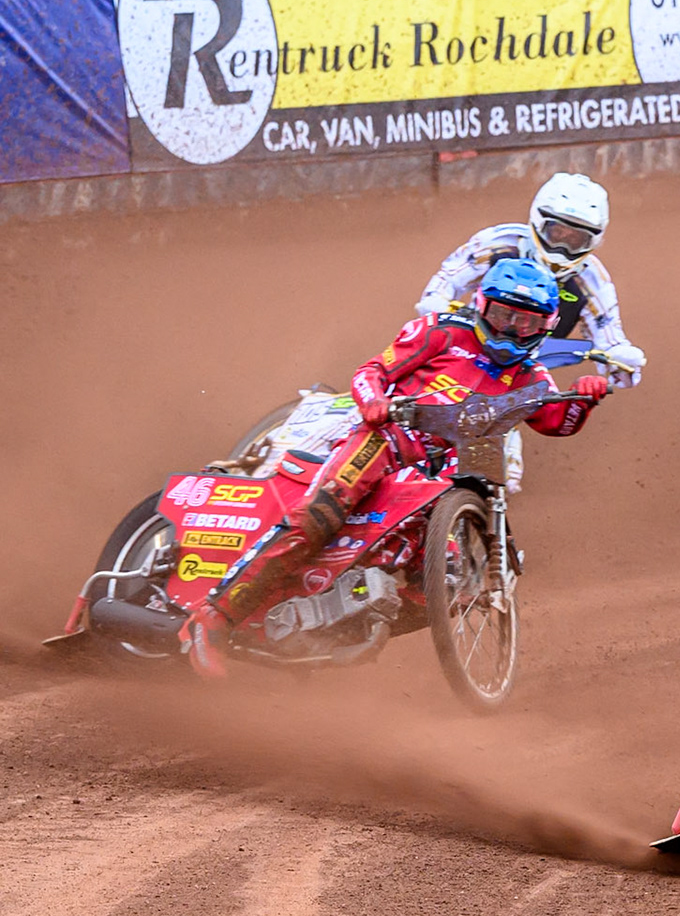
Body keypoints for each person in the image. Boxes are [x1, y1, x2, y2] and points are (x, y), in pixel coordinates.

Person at [177, 259, 611, 678]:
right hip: (385, 442)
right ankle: (215, 616)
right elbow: (371, 371)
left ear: (547, 326)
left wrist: (585, 398)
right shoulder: (441, 331)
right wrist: (374, 402)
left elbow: (556, 422)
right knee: (322, 514)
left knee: (444, 585)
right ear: (481, 306)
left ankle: (333, 626)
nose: (511, 329)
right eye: (502, 315)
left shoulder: (532, 377)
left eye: (526, 322)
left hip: (443, 475)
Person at [417, 172, 646, 490]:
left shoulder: (592, 279)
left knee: (507, 475)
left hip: (525, 364)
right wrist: (439, 304)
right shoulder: (499, 243)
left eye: (575, 239)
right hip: (474, 339)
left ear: (592, 240)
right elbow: (446, 280)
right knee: (420, 385)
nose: (562, 246)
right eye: (557, 232)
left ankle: (486, 511)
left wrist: (621, 361)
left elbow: (611, 336)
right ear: (539, 222)